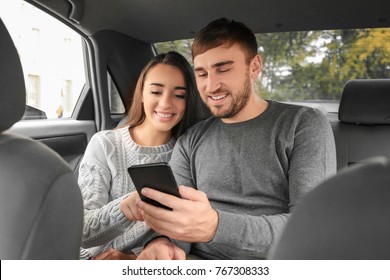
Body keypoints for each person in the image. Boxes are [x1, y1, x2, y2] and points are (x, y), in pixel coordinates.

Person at [135, 18, 337, 260]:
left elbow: (309, 228)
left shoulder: (302, 124)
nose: (211, 86)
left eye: (223, 69)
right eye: (201, 73)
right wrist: (162, 242)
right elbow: (177, 219)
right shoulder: (191, 140)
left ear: (254, 67)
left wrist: (216, 227)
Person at [77, 51, 197, 260]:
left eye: (179, 95)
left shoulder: (188, 154)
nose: (166, 103)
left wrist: (133, 258)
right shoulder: (105, 144)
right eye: (156, 92)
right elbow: (82, 231)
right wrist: (125, 208)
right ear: (142, 94)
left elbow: (182, 231)